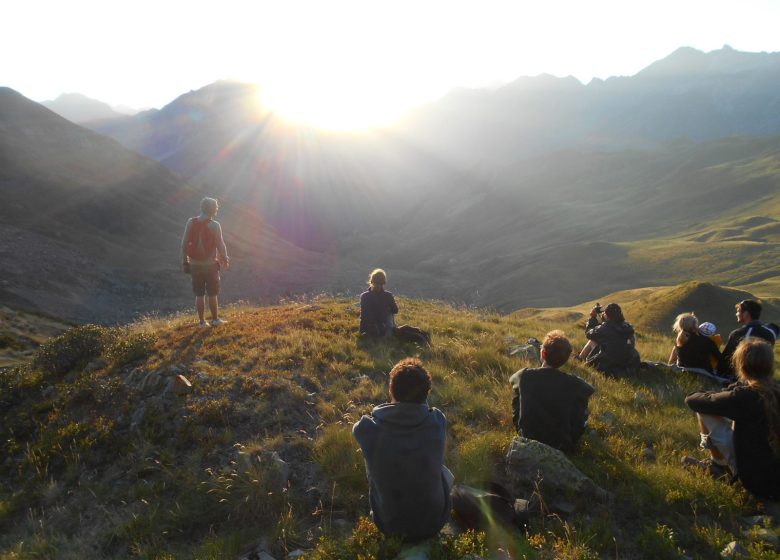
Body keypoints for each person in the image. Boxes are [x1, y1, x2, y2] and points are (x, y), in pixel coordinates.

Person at [352, 358, 452, 540]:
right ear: (427, 393)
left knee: (378, 466)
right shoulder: (438, 421)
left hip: (389, 525)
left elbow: (359, 426)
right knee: (443, 470)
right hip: (434, 523)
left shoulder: (367, 428)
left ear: (391, 390)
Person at [684, 340, 780, 499]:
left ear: (741, 366)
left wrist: (731, 389)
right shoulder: (774, 390)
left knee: (705, 410)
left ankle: (718, 465)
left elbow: (692, 400)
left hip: (758, 482)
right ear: (770, 365)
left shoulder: (744, 396)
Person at [509, 330, 595, 452]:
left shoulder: (524, 375)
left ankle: (521, 428)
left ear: (543, 353)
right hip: (562, 446)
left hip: (528, 439)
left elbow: (512, 380)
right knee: (580, 404)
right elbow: (589, 389)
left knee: (518, 395)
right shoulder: (574, 383)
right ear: (565, 359)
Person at [181, 197, 230, 327]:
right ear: (213, 209)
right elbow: (220, 244)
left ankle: (202, 322)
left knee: (199, 294)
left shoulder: (190, 222)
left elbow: (184, 244)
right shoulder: (215, 225)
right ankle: (215, 320)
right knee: (212, 294)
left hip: (194, 265)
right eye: (216, 208)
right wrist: (225, 258)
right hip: (210, 265)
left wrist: (185, 262)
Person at [718, 300, 777, 380]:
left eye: (738, 311)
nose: (736, 314)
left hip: (742, 378)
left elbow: (726, 359)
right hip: (765, 377)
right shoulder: (770, 333)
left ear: (746, 314)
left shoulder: (738, 334)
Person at [576, 303, 641, 376]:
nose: (603, 314)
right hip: (626, 364)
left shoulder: (605, 328)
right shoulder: (627, 327)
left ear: (607, 315)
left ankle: (579, 359)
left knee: (592, 341)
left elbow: (589, 333)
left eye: (604, 313)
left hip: (607, 365)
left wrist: (593, 317)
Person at [359, 269, 398, 337]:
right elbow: (395, 310)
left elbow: (363, 316)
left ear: (371, 281)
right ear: (383, 282)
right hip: (383, 328)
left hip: (367, 329)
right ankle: (389, 333)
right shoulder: (388, 295)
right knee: (390, 312)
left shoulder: (364, 296)